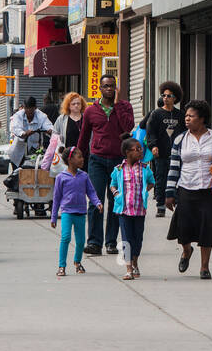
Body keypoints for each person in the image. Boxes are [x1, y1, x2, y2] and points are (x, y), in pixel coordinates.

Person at [165, 99, 212, 279]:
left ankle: (204, 267)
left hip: (210, 189)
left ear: (202, 119)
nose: (187, 119)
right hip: (186, 188)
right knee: (183, 229)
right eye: (186, 116)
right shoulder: (180, 139)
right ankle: (187, 251)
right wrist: (170, 193)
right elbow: (173, 167)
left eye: (191, 116)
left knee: (207, 228)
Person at [78, 74, 135, 256]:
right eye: (106, 86)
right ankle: (94, 242)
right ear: (100, 89)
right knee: (96, 201)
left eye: (112, 86)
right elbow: (84, 137)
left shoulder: (125, 107)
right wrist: (77, 161)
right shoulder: (90, 111)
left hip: (119, 161)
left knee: (115, 202)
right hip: (97, 160)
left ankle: (111, 242)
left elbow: (128, 127)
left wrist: (117, 105)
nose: (109, 89)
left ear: (116, 88)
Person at [110, 137, 155, 281]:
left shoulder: (145, 169)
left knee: (138, 238)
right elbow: (113, 184)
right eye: (137, 149)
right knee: (126, 239)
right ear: (127, 152)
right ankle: (129, 268)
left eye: (141, 148)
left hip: (139, 210)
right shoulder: (118, 169)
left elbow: (152, 182)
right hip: (124, 210)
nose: (141, 151)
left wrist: (145, 192)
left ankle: (135, 261)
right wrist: (117, 195)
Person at [51, 146, 100, 277]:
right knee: (65, 237)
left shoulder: (84, 176)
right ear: (70, 159)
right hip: (67, 212)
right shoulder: (61, 177)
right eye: (79, 157)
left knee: (80, 241)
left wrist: (98, 203)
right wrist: (54, 217)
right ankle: (62, 266)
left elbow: (91, 192)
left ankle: (77, 262)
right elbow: (56, 198)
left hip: (80, 213)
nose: (82, 159)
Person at [144, 81, 185, 219]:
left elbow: (185, 133)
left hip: (177, 155)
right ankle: (160, 206)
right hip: (160, 153)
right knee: (161, 179)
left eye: (169, 95)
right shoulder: (156, 114)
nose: (166, 98)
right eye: (164, 95)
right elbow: (150, 132)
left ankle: (178, 203)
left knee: (178, 179)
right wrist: (153, 146)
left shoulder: (180, 115)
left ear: (175, 98)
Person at [8, 96, 53, 169]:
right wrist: (24, 133)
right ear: (23, 107)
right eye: (26, 109)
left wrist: (50, 131)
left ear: (35, 108)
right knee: (18, 175)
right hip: (18, 152)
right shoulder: (18, 115)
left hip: (34, 152)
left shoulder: (41, 116)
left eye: (31, 109)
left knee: (32, 174)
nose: (28, 111)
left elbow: (48, 126)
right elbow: (15, 128)